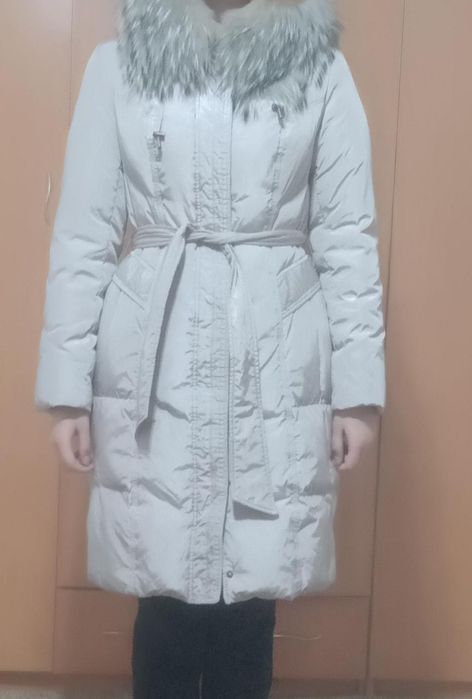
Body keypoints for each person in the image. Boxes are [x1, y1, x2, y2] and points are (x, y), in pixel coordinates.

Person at [34, 0, 386, 696]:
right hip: (156, 349)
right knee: (160, 583)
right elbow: (84, 233)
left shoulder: (319, 67)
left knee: (252, 588)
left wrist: (357, 393)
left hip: (274, 350)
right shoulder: (120, 65)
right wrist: (67, 389)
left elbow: (349, 237)